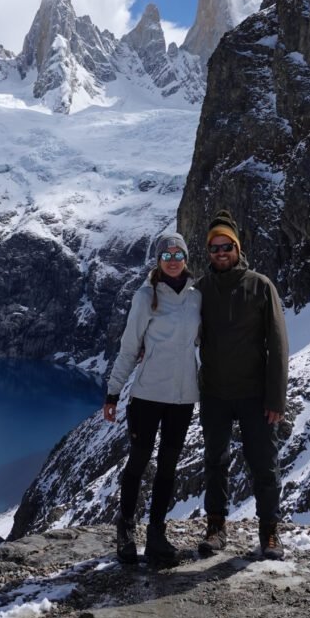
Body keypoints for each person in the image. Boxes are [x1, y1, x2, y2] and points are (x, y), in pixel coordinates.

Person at [104, 232, 201, 566]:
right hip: (147, 395)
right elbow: (130, 346)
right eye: (166, 255)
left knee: (169, 465)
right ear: (158, 261)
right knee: (139, 459)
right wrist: (113, 391)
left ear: (186, 258)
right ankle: (126, 529)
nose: (173, 260)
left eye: (178, 254)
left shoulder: (197, 297)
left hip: (183, 396)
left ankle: (157, 533)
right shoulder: (145, 297)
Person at [196, 209, 289, 560]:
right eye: (214, 248)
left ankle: (269, 533)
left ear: (237, 247)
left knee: (263, 462)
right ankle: (216, 528)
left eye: (226, 246)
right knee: (215, 461)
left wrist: (276, 397)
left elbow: (278, 343)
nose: (220, 253)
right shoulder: (200, 290)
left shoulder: (260, 286)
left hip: (254, 394)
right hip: (215, 393)